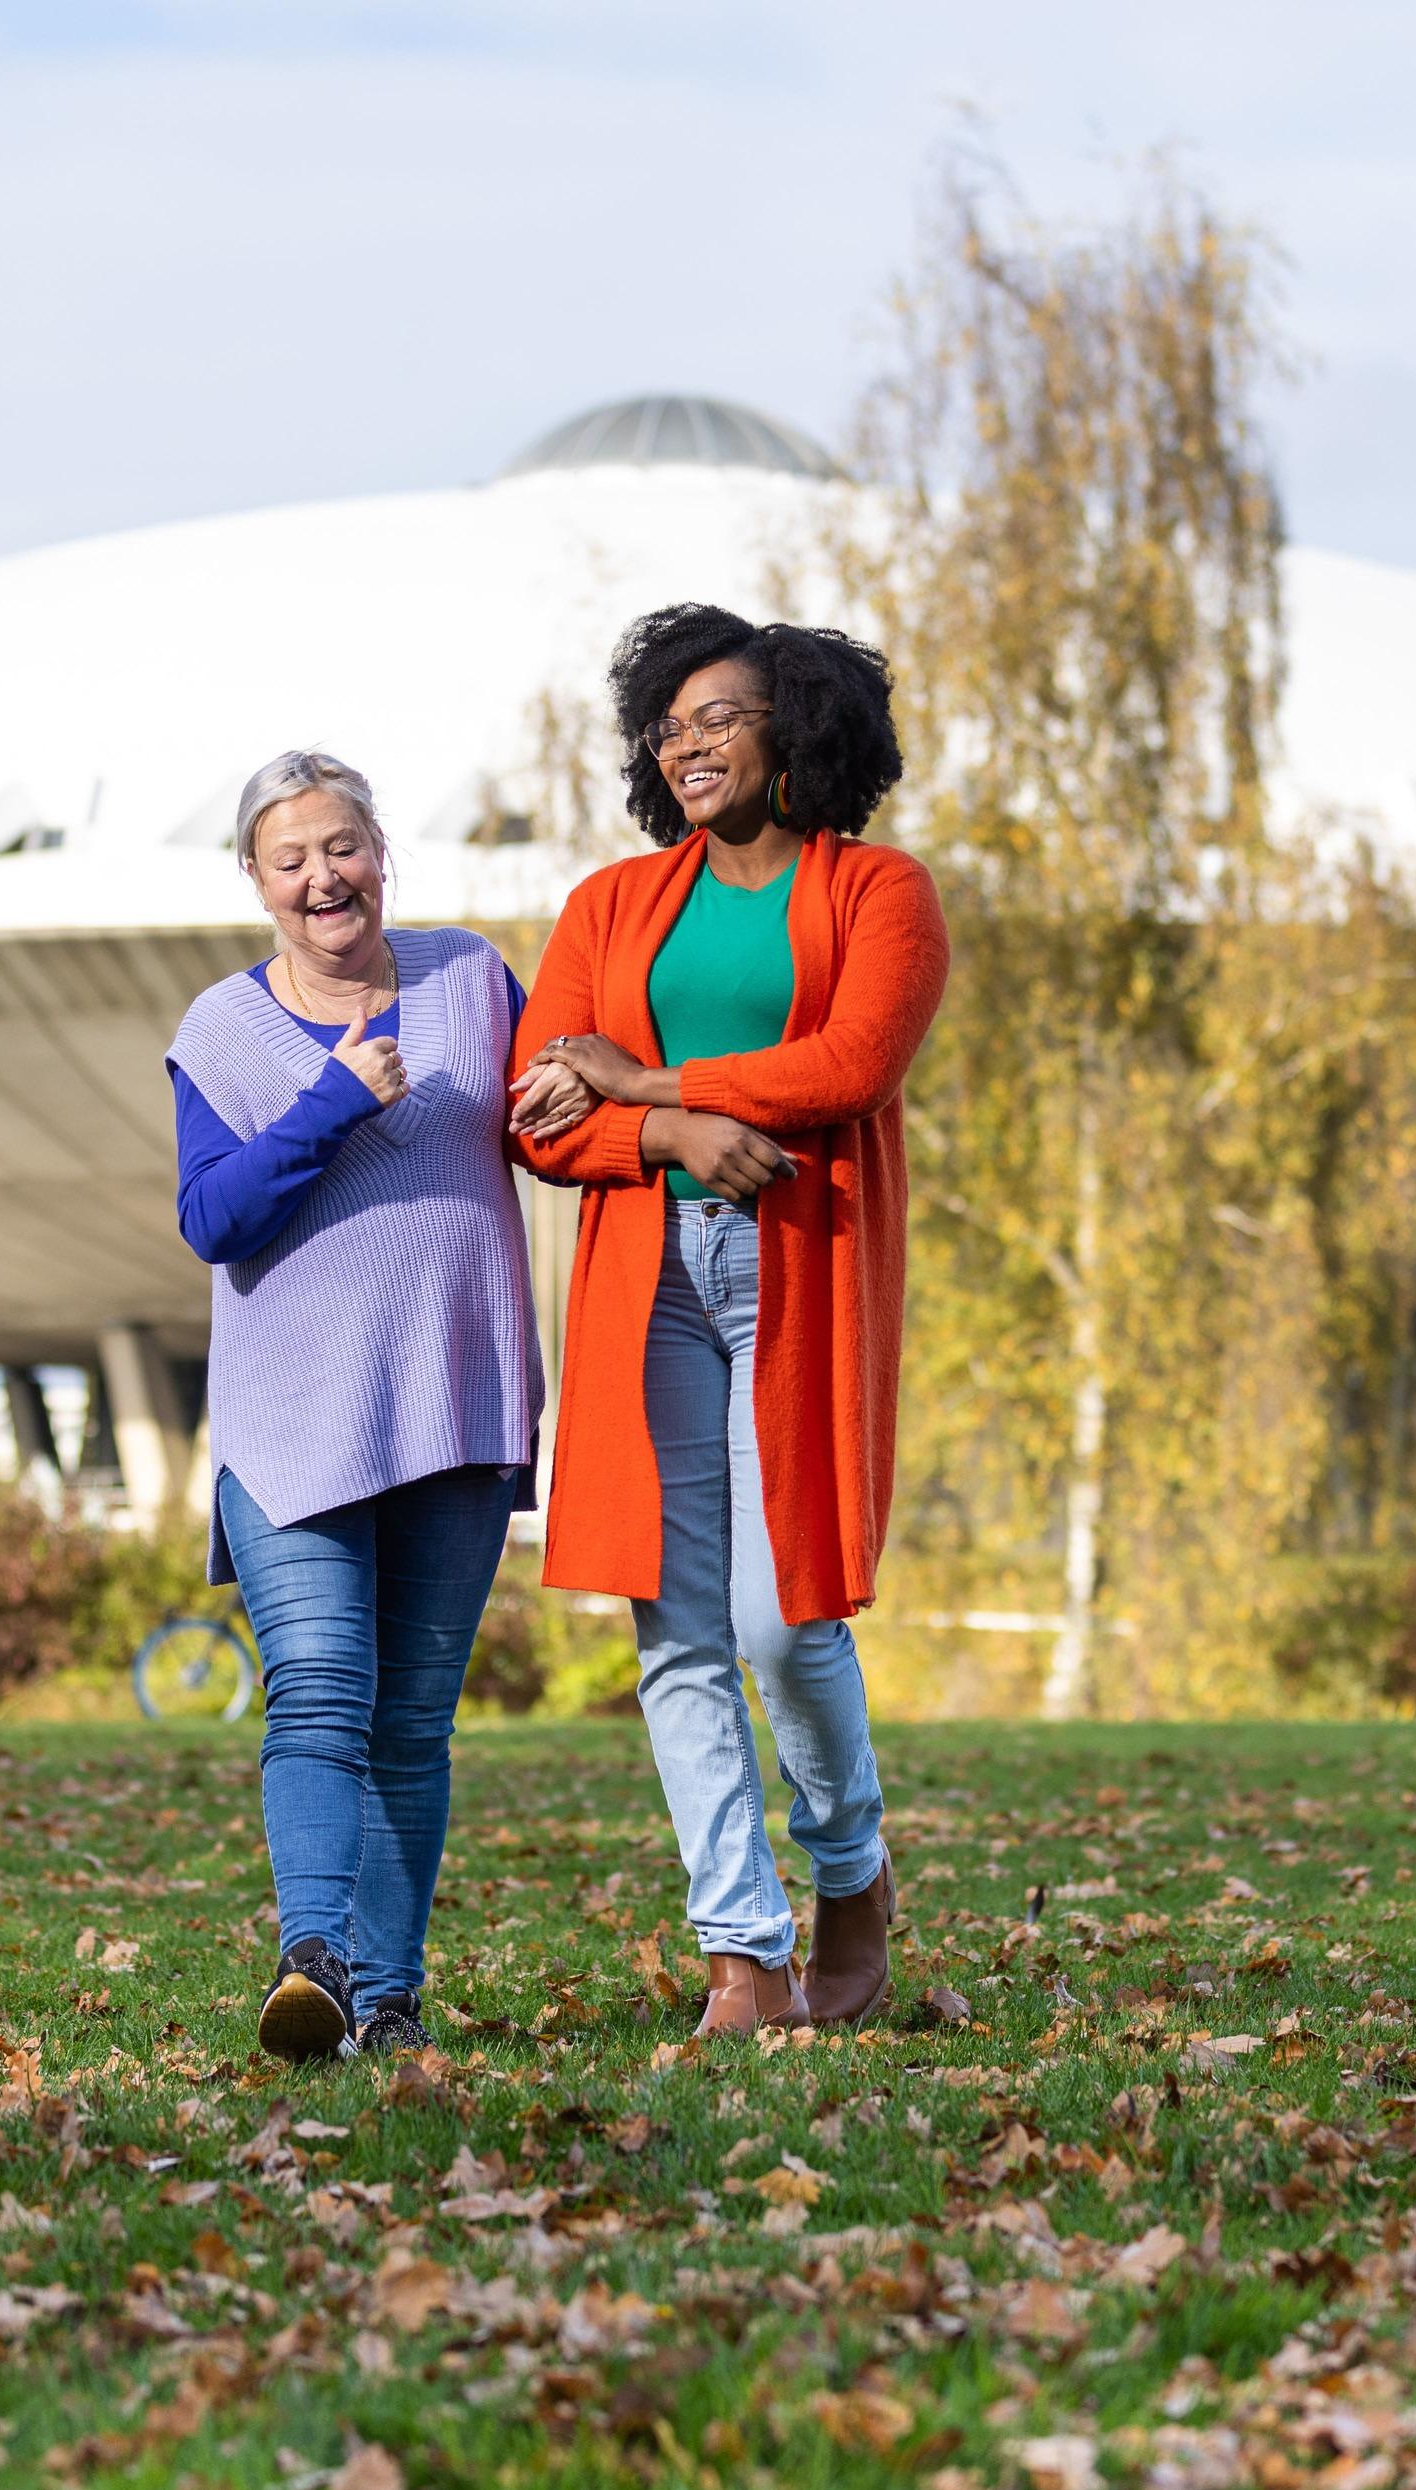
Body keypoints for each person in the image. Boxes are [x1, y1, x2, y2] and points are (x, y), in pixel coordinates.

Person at [503, 604, 946, 2037]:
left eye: (719, 717)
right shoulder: (609, 907)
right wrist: (670, 1140)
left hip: (798, 1275)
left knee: (784, 1618)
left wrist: (643, 1087)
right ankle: (742, 1961)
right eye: (669, 722)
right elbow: (534, 1110)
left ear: (795, 730)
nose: (686, 741)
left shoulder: (879, 893)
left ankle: (852, 1870)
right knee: (674, 1632)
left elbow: (851, 1066)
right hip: (651, 1281)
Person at [168, 751, 540, 2065]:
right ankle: (312, 1957)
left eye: (345, 847)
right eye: (294, 859)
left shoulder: (475, 980)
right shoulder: (222, 1028)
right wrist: (334, 1099)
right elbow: (213, 1217)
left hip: (456, 1398)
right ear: (259, 882)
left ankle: (389, 2001)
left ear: (382, 852)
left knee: (414, 1715)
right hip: (293, 1418)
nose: (326, 877)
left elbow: (551, 1123)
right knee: (321, 1685)